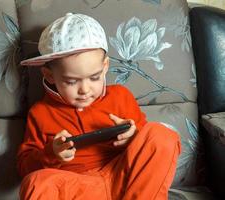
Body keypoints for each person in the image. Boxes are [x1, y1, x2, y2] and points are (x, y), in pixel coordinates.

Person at [17, 13, 181, 200]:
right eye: (71, 82)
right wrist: (51, 153)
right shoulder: (40, 113)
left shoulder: (121, 96)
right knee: (36, 182)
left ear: (105, 67)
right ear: (49, 76)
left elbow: (147, 149)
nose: (85, 90)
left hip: (127, 180)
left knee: (161, 135)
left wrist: (133, 136)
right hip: (79, 187)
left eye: (94, 77)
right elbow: (24, 167)